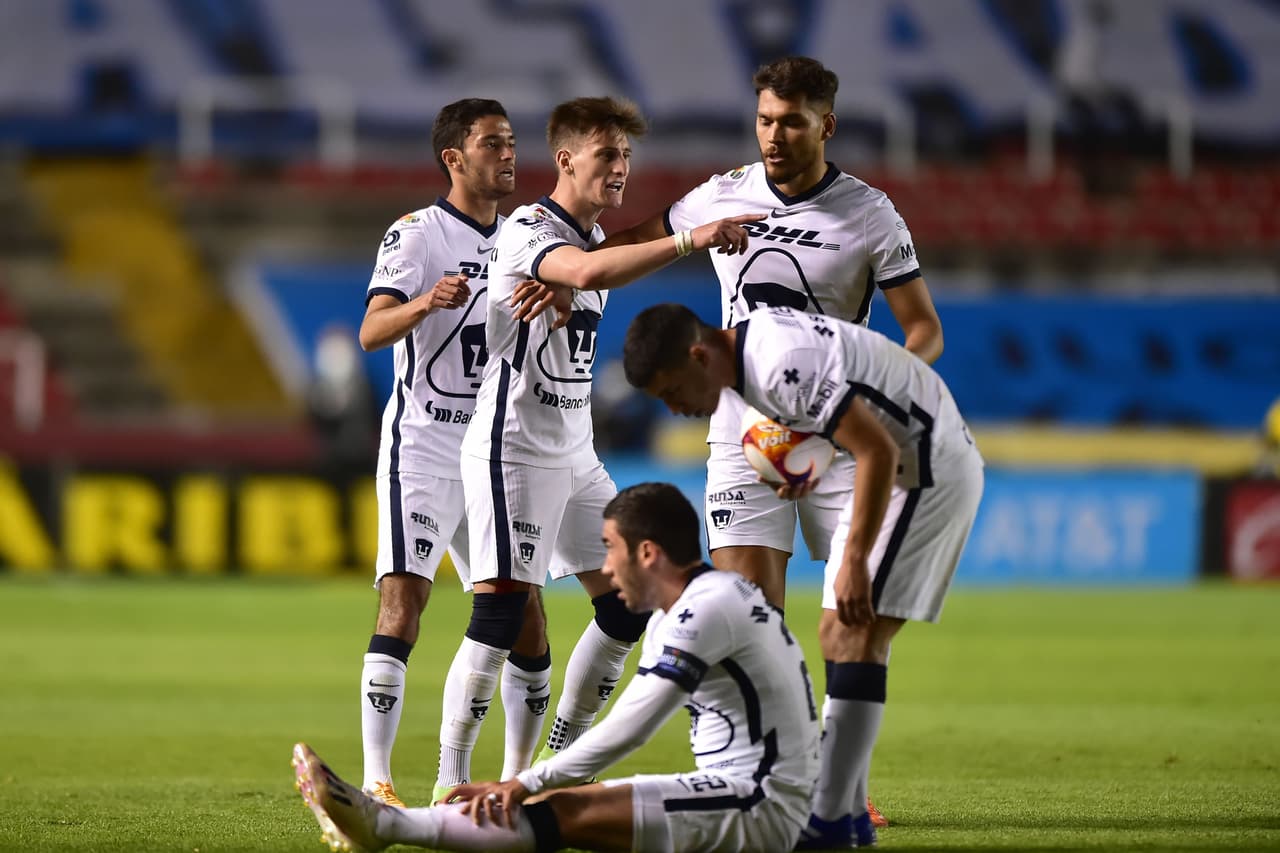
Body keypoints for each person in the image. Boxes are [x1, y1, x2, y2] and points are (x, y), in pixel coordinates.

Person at [513, 54, 942, 828]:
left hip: (839, 442)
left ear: (827, 126)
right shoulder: (722, 195)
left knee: (851, 619)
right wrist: (570, 273)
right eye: (765, 121)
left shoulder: (870, 213)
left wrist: (867, 393)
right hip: (743, 442)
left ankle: (838, 790)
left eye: (793, 123)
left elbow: (923, 330)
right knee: (750, 617)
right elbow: (640, 241)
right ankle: (778, 778)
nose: (775, 137)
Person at [433, 96, 763, 802]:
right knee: (498, 613)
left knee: (625, 605)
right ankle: (447, 782)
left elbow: (597, 266)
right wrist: (691, 240)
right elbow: (586, 273)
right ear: (566, 159)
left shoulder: (592, 239)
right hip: (511, 446)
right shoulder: (528, 229)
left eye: (626, 157)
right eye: (607, 155)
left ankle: (554, 766)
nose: (620, 168)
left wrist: (570, 287)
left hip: (575, 450)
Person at [622, 303, 984, 849]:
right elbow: (849, 420)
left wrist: (856, 560)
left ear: (698, 355)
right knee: (847, 634)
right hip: (915, 452)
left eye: (673, 392)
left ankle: (831, 818)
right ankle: (842, 813)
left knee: (849, 631)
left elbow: (878, 447)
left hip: (923, 463)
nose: (675, 409)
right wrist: (807, 463)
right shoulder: (752, 351)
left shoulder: (777, 364)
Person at [293, 482, 821, 853]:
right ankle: (391, 822)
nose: (605, 566)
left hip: (759, 803)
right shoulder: (702, 602)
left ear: (648, 553)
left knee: (562, 812)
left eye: (611, 549)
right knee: (570, 803)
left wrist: (524, 781)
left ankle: (387, 826)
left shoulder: (703, 611)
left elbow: (629, 728)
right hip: (752, 790)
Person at [354, 97, 550, 806]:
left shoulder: (528, 236)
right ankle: (379, 782)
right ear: (454, 158)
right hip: (425, 443)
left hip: (497, 450)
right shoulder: (415, 235)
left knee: (526, 615)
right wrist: (425, 303)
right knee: (403, 601)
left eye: (511, 141)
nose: (509, 154)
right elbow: (372, 332)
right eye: (493, 142)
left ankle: (514, 781)